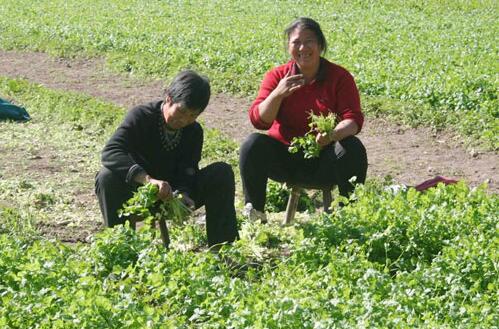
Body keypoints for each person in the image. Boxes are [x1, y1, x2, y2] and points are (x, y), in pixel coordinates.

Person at [240, 17, 368, 222]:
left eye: (309, 41)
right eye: (296, 42)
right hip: (286, 159)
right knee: (252, 144)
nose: (303, 48)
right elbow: (259, 120)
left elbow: (353, 119)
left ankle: (350, 216)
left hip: (326, 161)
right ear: (289, 47)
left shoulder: (339, 77)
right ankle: (255, 215)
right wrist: (277, 94)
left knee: (351, 147)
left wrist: (333, 134)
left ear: (320, 45)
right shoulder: (277, 76)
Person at [95, 70, 239, 247]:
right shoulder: (141, 117)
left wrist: (184, 193)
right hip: (137, 194)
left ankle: (223, 250)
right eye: (182, 111)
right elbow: (111, 151)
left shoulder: (193, 131)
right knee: (106, 177)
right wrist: (147, 180)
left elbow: (188, 168)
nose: (184, 120)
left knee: (221, 172)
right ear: (169, 98)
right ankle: (120, 248)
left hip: (172, 196)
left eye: (193, 115)